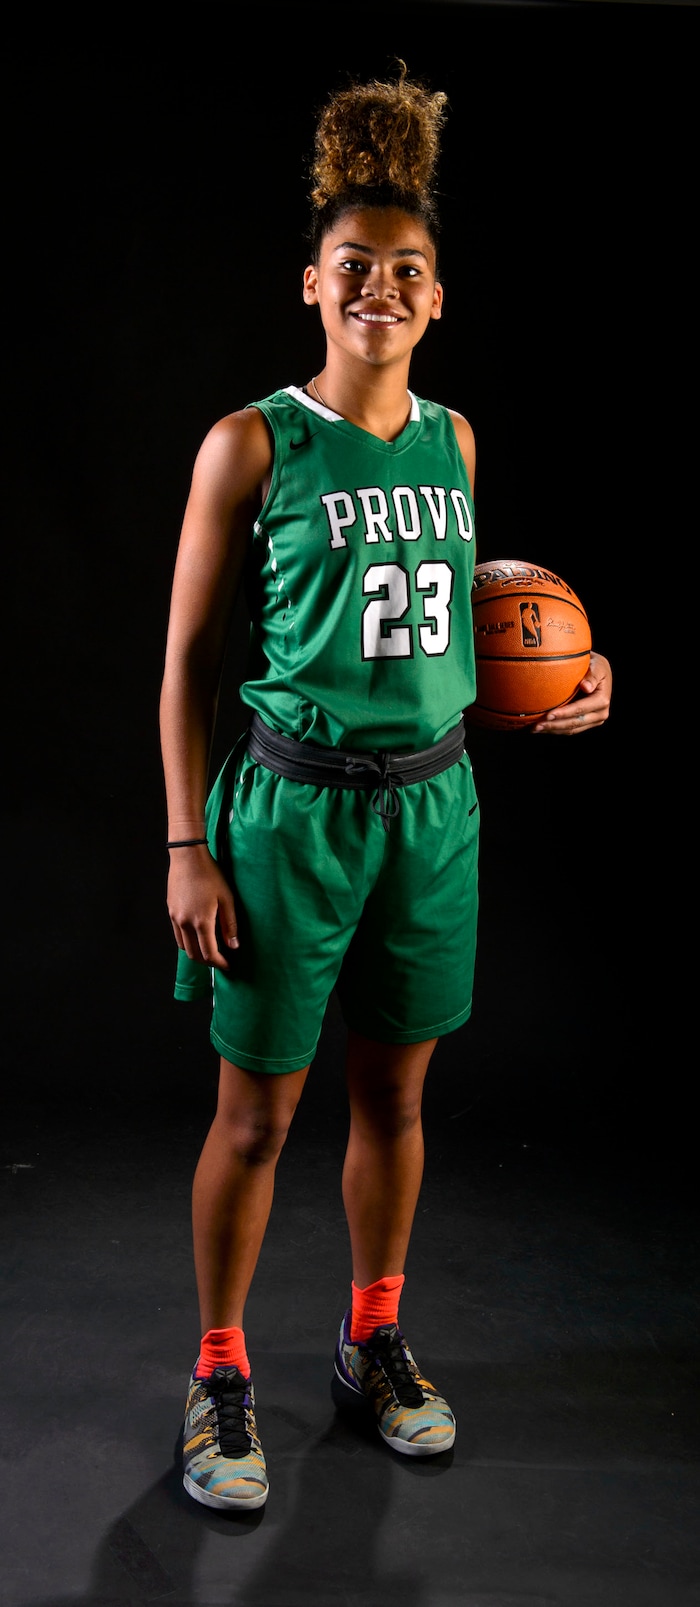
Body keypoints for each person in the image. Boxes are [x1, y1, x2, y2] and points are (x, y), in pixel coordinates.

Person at [159, 64, 613, 1514]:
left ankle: (370, 1344)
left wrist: (568, 676)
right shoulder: (251, 442)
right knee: (255, 1117)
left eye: (406, 270)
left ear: (438, 297)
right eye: (353, 266)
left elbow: (450, 623)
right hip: (288, 813)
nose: (380, 289)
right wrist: (186, 844)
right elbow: (186, 666)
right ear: (312, 283)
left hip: (431, 808)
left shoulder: (455, 440)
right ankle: (220, 1373)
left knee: (396, 1098)